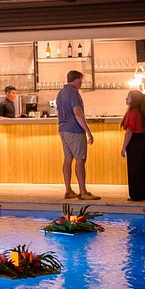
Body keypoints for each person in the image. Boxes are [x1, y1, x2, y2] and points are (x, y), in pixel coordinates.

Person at [57, 70, 99, 200]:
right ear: (75, 80)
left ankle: (68, 190)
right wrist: (87, 130)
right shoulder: (73, 92)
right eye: (81, 80)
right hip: (74, 129)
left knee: (68, 159)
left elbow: (59, 113)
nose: (82, 82)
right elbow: (77, 113)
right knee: (80, 160)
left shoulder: (60, 93)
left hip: (63, 129)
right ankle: (83, 192)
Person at [120, 89, 145, 202]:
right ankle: (143, 194)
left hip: (135, 142)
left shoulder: (132, 112)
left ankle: (135, 195)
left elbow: (129, 131)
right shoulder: (143, 112)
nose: (126, 98)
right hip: (143, 140)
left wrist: (124, 147)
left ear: (133, 99)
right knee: (142, 168)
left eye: (128, 97)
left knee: (134, 169)